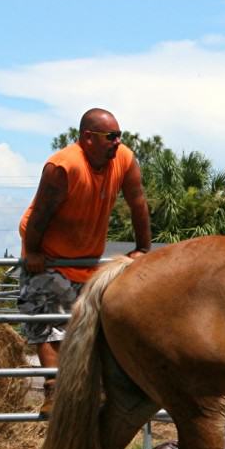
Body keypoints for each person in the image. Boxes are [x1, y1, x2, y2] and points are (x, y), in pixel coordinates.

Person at [18, 107, 151, 414]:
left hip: (87, 258)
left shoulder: (124, 160)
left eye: (120, 136)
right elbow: (38, 218)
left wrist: (143, 248)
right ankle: (53, 393)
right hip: (49, 254)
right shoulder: (63, 167)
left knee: (92, 326)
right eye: (110, 136)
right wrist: (34, 253)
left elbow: (138, 202)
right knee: (50, 325)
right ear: (88, 138)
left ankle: (95, 389)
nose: (117, 142)